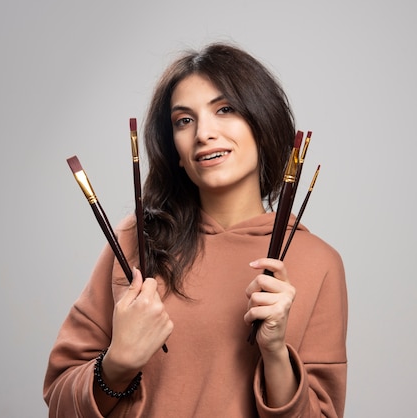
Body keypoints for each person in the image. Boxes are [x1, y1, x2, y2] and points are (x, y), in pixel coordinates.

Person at [44, 42, 348, 417]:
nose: (204, 133)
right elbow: (60, 402)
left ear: (262, 120)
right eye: (184, 121)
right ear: (175, 148)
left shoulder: (319, 263)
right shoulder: (135, 240)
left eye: (225, 109)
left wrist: (275, 355)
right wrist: (118, 364)